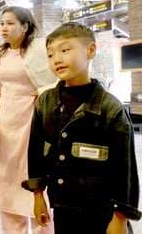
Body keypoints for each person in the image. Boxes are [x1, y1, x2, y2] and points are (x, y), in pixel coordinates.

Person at [22, 22, 141, 234]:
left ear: (91, 50)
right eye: (50, 55)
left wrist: (120, 217)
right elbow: (36, 154)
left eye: (65, 50)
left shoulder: (110, 109)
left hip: (103, 211)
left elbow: (125, 170)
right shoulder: (46, 102)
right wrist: (38, 195)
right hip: (63, 207)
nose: (56, 59)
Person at [0, 6, 57, 234]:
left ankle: (44, 228)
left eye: (10, 23)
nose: (4, 27)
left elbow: (56, 77)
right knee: (7, 178)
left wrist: (44, 92)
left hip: (34, 119)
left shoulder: (40, 48)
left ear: (25, 27)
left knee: (35, 173)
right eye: (2, 23)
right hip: (7, 122)